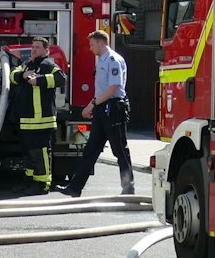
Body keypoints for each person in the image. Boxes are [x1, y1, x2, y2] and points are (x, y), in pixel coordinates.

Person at [58, 29, 134, 197]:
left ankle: (128, 189)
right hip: (103, 108)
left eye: (92, 45)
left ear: (101, 43)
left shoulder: (113, 60)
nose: (90, 48)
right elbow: (101, 89)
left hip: (113, 108)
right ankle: (75, 188)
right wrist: (94, 105)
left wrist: (92, 105)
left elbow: (114, 87)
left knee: (120, 150)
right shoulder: (101, 60)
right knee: (91, 149)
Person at [10, 36, 65, 192]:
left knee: (40, 153)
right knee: (28, 152)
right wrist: (23, 76)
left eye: (38, 47)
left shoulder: (48, 65)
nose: (34, 50)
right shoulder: (26, 65)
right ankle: (30, 179)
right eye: (33, 47)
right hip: (26, 120)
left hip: (43, 120)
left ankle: (42, 184)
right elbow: (12, 75)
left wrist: (38, 80)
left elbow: (61, 78)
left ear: (46, 50)